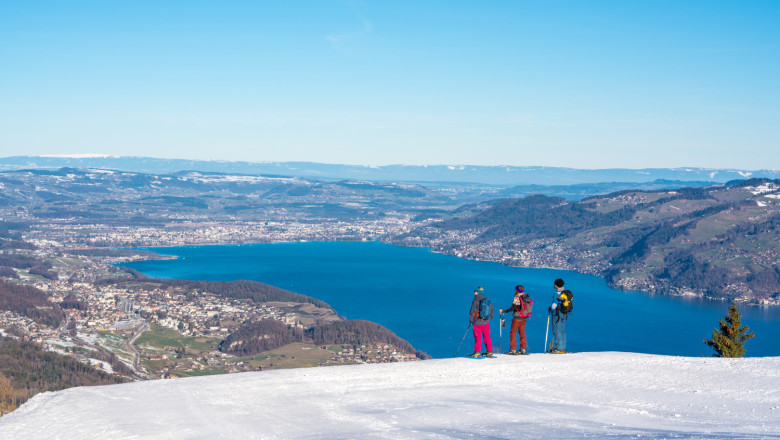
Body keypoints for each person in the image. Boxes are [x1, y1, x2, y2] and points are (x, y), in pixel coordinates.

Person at [499, 285, 531, 354]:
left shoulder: (516, 297)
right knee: (522, 333)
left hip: (517, 318)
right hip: (524, 317)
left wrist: (503, 311)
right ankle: (523, 349)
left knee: (513, 333)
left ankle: (513, 349)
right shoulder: (526, 296)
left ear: (517, 290)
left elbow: (512, 308)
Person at [468, 286, 493, 358]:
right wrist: (489, 318)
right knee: (487, 337)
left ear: (477, 292)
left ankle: (477, 352)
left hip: (477, 323)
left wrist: (471, 320)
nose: (474, 293)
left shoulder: (476, 300)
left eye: (475, 292)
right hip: (486, 322)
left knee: (477, 337)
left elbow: (472, 311)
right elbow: (492, 310)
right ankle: (489, 352)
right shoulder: (487, 300)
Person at [548, 278, 568, 353]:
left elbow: (554, 305)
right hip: (563, 314)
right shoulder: (564, 292)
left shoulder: (557, 293)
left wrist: (550, 310)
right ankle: (562, 347)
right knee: (562, 331)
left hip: (556, 314)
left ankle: (558, 348)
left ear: (556, 285)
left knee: (556, 331)